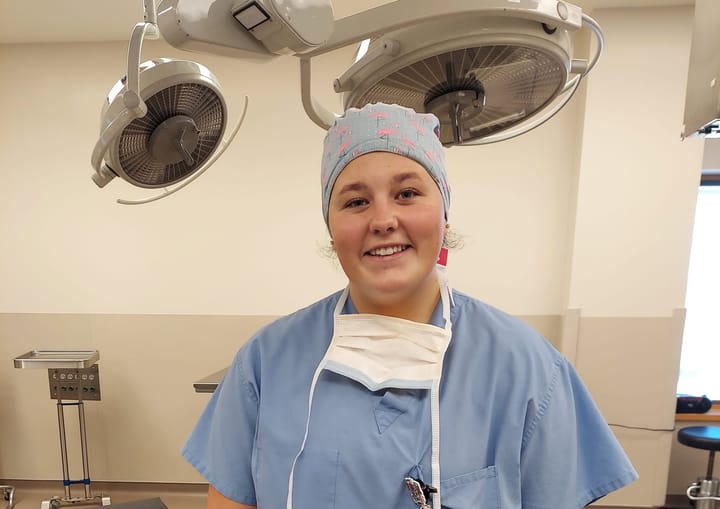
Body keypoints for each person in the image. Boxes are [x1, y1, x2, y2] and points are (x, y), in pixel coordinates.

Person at [181, 102, 638, 509]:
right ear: (331, 226)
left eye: (407, 194)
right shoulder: (265, 362)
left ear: (444, 212)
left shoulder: (528, 370)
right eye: (355, 201)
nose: (383, 220)